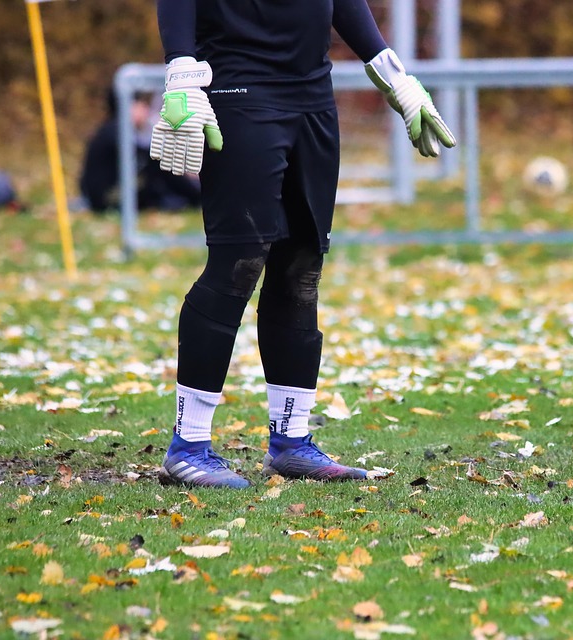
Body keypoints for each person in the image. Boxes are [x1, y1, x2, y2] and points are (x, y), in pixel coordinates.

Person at [149, 0, 455, 488]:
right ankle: (188, 447)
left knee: (301, 267)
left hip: (312, 98)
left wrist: (392, 72)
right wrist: (181, 69)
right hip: (238, 91)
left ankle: (290, 443)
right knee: (240, 262)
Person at [79, 89, 202, 213]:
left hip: (107, 195)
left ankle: (193, 195)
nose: (145, 110)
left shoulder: (113, 129)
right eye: (141, 104)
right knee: (158, 164)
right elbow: (149, 156)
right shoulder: (114, 131)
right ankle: (197, 196)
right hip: (106, 199)